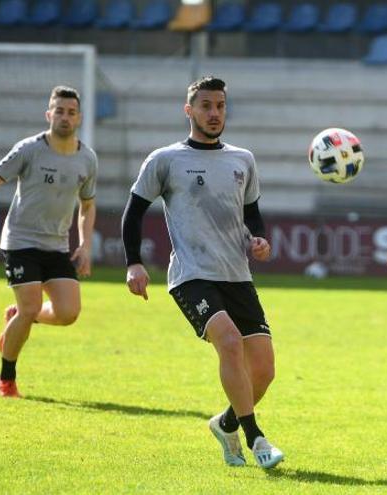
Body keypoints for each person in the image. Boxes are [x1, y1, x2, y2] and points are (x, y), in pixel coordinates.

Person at [121, 76, 283, 469]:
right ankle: (255, 437)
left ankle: (225, 424)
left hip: (237, 275)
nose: (214, 113)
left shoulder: (242, 159)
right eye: (206, 106)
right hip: (191, 274)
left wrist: (259, 240)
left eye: (220, 106)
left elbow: (252, 214)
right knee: (228, 341)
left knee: (263, 370)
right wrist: (134, 262)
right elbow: (133, 212)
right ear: (189, 110)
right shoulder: (165, 159)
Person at [0, 85, 98, 399]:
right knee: (30, 307)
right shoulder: (30, 149)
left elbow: (87, 205)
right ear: (49, 114)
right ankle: (7, 378)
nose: (65, 117)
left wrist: (84, 245)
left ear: (79, 118)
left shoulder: (87, 158)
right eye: (59, 111)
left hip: (56, 246)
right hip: (20, 241)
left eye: (71, 112)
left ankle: (18, 315)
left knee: (68, 313)